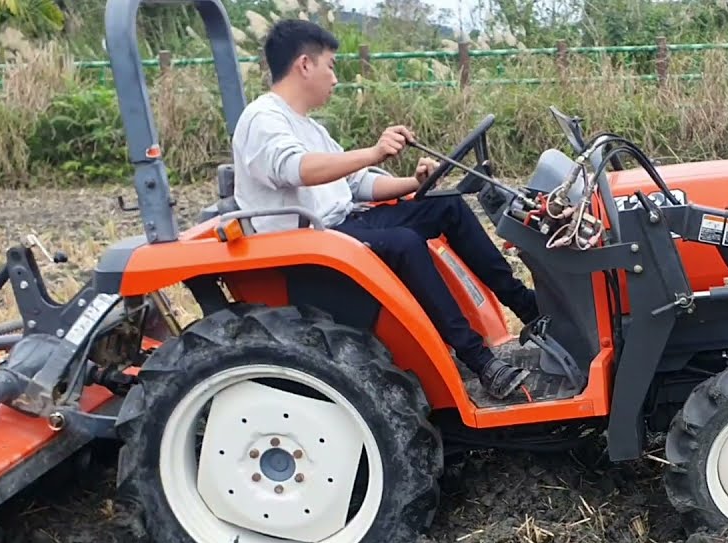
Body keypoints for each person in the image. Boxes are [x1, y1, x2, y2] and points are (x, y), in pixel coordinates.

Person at [231, 19, 540, 400]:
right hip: (308, 242)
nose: (335, 78)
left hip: (343, 224)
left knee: (448, 207)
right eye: (331, 66)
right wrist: (376, 151)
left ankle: (529, 309)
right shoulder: (263, 119)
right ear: (305, 65)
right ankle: (479, 358)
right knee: (404, 243)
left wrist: (415, 183)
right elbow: (296, 169)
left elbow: (356, 183)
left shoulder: (308, 126)